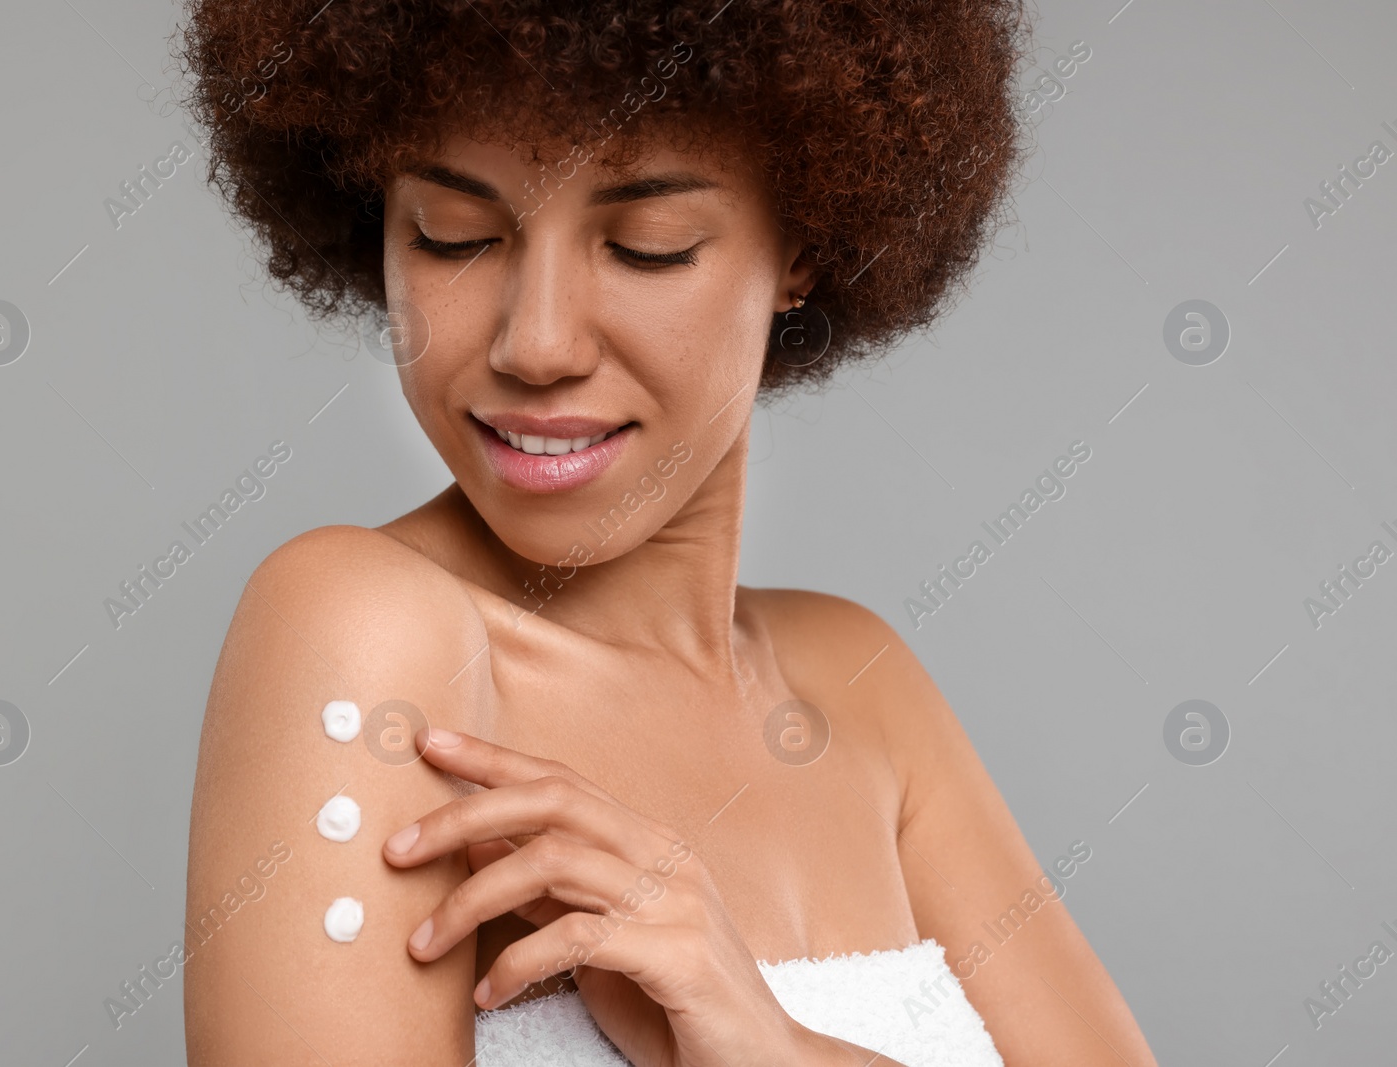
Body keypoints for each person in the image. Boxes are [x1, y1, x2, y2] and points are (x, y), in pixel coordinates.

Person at [177, 1, 1159, 1063]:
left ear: (804, 250)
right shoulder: (364, 631)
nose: (535, 342)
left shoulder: (861, 686)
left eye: (648, 246)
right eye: (449, 235)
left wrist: (767, 1043)